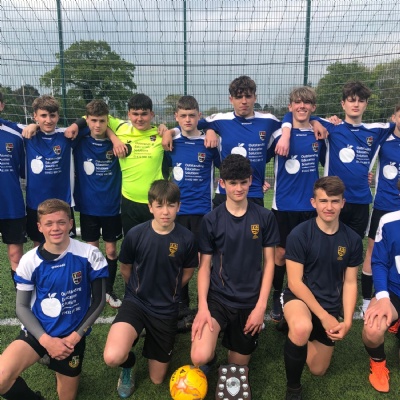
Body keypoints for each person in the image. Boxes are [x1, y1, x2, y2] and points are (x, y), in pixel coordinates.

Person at [284, 81, 394, 316]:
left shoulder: (375, 130)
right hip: (334, 201)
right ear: (343, 104)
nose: (356, 104)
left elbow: (396, 124)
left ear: (366, 104)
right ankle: (313, 292)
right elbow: (295, 114)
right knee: (326, 247)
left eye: (361, 101)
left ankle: (346, 296)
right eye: (351, 100)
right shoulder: (331, 127)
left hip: (361, 202)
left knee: (350, 251)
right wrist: (316, 121)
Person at [0, 199, 108, 400]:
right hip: (38, 332)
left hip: (71, 336)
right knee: (1, 378)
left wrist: (75, 337)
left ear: (70, 223)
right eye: (48, 223)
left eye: (61, 222)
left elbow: (99, 301)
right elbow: (21, 307)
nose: (55, 228)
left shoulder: (90, 254)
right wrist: (46, 341)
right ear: (39, 227)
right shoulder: (29, 260)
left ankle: (53, 360)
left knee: (66, 397)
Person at [103, 180, 198, 399]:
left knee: (157, 379)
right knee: (112, 356)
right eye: (159, 205)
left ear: (178, 206)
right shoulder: (136, 234)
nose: (165, 211)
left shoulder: (187, 238)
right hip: (136, 303)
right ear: (150, 207)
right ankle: (129, 364)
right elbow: (125, 268)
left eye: (171, 205)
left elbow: (188, 272)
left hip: (166, 309)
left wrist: (169, 289)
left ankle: (152, 337)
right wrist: (138, 289)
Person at [190, 154, 279, 373]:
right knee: (199, 356)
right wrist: (202, 308)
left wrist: (261, 307)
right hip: (219, 298)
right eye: (232, 183)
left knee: (237, 366)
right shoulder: (211, 220)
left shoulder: (265, 217)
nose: (238, 188)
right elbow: (204, 267)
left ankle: (234, 343)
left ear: (250, 180)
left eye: (243, 182)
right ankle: (210, 355)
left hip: (249, 300)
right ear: (222, 183)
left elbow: (269, 263)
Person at [282, 176, 363, 400]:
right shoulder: (299, 234)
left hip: (329, 304)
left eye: (335, 201)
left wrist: (347, 321)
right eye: (323, 201)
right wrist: (324, 317)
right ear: (313, 203)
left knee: (318, 369)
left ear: (342, 203)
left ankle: (297, 332)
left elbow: (350, 282)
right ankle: (293, 389)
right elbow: (295, 282)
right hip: (299, 298)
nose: (329, 207)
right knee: (301, 327)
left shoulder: (352, 240)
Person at [163, 76, 289, 207]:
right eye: (239, 97)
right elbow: (191, 124)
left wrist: (289, 134)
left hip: (254, 192)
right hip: (225, 193)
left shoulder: (268, 120)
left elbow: (289, 122)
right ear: (231, 99)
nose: (244, 101)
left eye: (248, 96)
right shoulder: (220, 119)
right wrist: (171, 132)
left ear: (255, 98)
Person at [71, 93, 167, 235]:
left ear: (152, 114)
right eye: (135, 114)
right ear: (128, 114)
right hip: (129, 200)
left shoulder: (161, 135)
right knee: (132, 242)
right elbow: (92, 116)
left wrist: (168, 130)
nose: (139, 118)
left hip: (156, 200)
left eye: (144, 114)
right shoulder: (121, 128)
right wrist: (114, 139)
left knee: (158, 241)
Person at [267, 87, 322, 322]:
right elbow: (259, 158)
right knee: (280, 253)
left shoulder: (320, 133)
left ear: (313, 107)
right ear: (290, 107)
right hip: (284, 205)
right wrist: (257, 181)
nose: (302, 106)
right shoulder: (279, 134)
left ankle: (303, 295)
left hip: (311, 206)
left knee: (308, 254)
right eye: (297, 103)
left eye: (307, 103)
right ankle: (277, 295)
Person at [165, 95, 221, 312]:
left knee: (204, 260)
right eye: (183, 116)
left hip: (203, 211)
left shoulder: (210, 143)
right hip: (177, 212)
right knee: (177, 259)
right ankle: (181, 303)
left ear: (199, 116)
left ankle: (207, 302)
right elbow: (163, 172)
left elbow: (225, 169)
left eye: (191, 115)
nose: (187, 120)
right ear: (176, 117)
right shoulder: (171, 143)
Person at [0, 95, 78, 247]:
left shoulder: (67, 135)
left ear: (58, 116)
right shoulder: (26, 134)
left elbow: (92, 121)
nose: (48, 120)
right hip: (35, 204)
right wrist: (33, 126)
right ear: (35, 116)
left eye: (52, 115)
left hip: (63, 202)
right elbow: (10, 126)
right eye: (43, 116)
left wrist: (76, 125)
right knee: (39, 246)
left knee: (66, 246)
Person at [73, 99, 123, 308]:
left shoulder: (118, 142)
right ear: (87, 120)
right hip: (88, 207)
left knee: (111, 251)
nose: (97, 125)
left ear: (107, 120)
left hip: (112, 206)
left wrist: (113, 137)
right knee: (92, 251)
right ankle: (94, 291)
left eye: (102, 121)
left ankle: (108, 290)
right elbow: (70, 129)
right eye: (93, 120)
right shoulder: (79, 140)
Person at [362, 104, 400, 325]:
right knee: (372, 251)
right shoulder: (383, 139)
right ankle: (367, 300)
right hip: (384, 205)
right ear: (393, 117)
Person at [362, 197, 400, 394]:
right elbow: (379, 262)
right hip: (394, 292)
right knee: (373, 328)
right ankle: (378, 363)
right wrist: (383, 298)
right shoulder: (389, 221)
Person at [0, 91, 26, 284]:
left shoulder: (16, 133)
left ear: (1, 105)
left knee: (16, 256)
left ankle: (22, 298)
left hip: (11, 205)